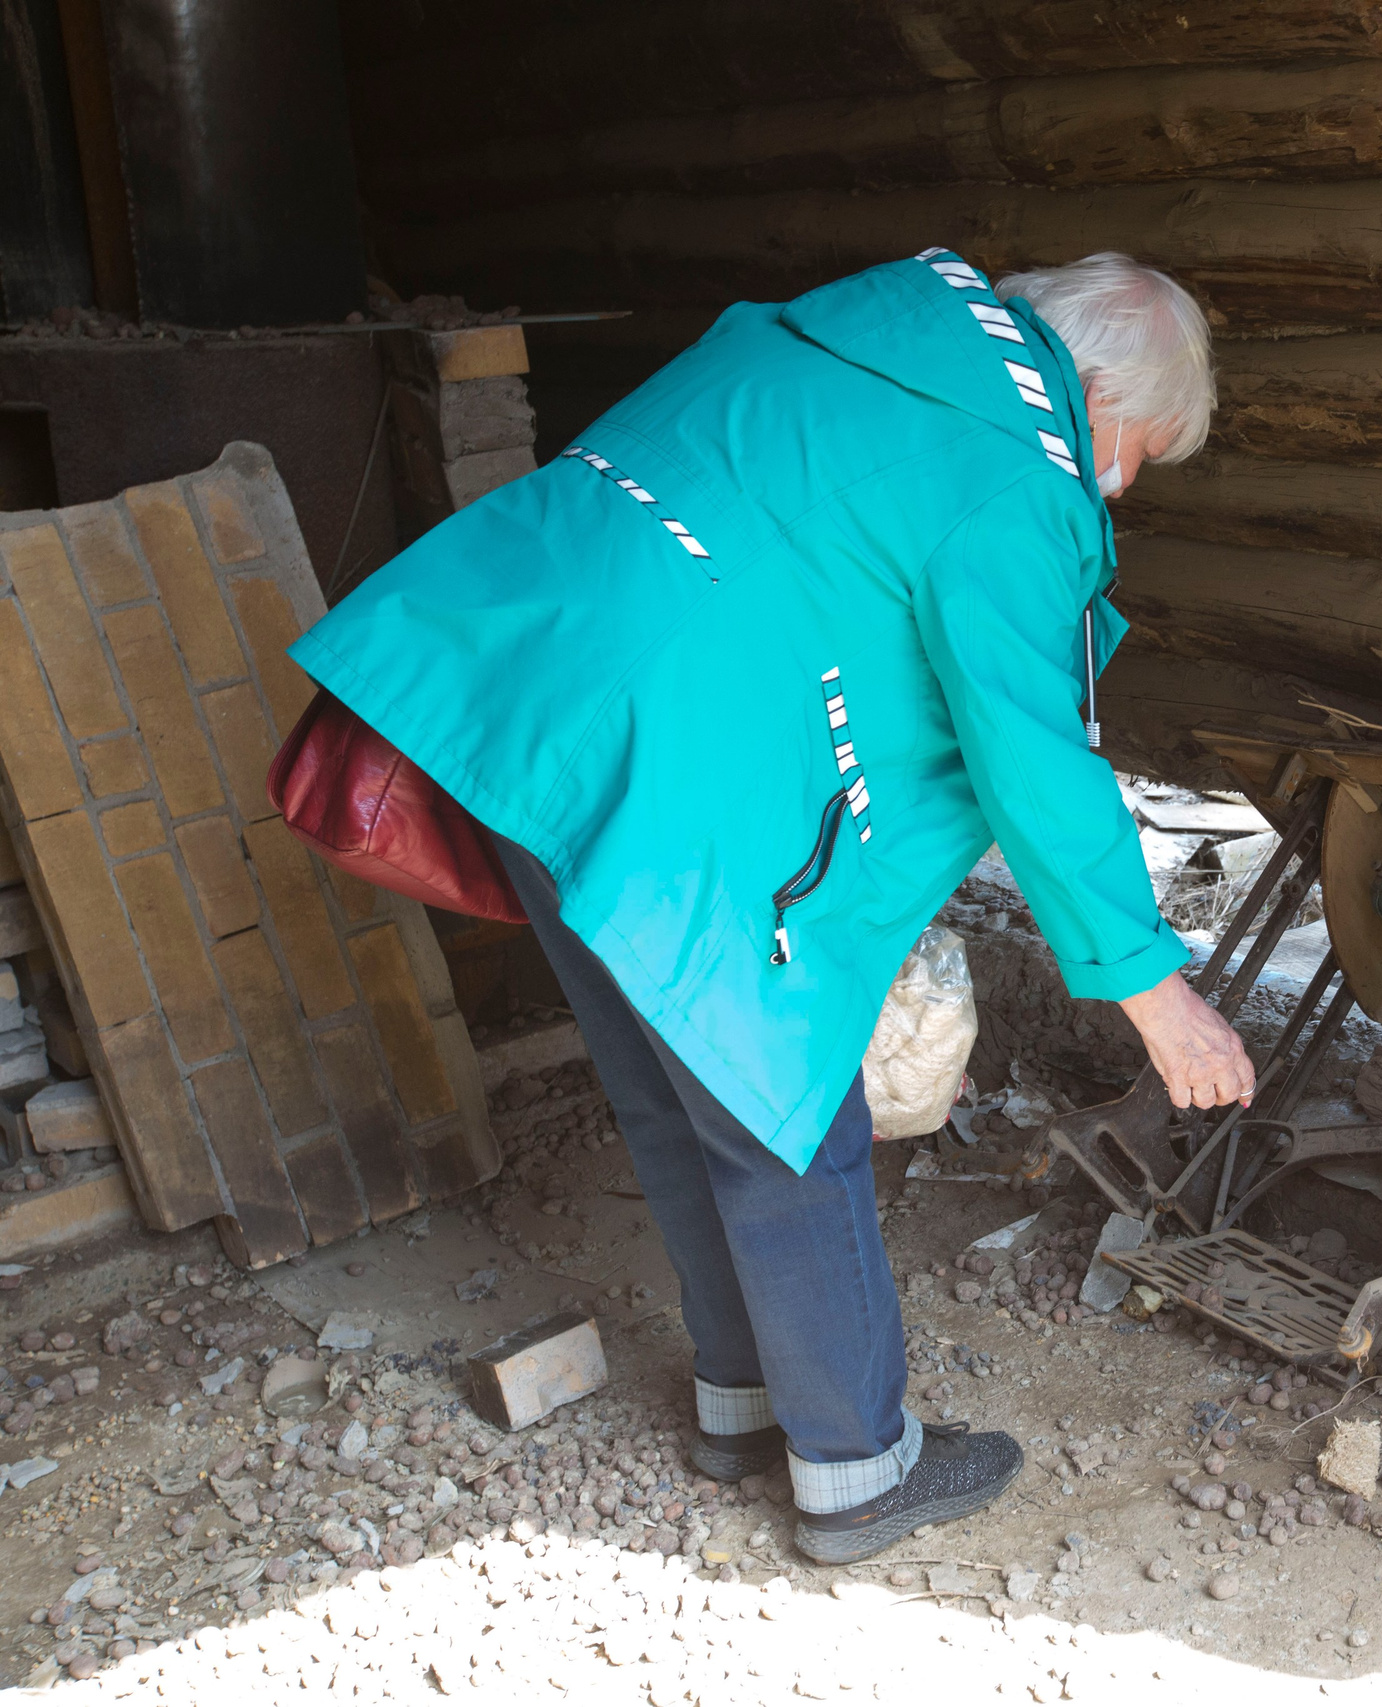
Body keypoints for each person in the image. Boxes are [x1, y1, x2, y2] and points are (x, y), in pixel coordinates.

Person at [290, 250, 1257, 1563]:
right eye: (1132, 446)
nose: (1121, 484)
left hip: (530, 696)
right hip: (675, 755)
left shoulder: (856, 331)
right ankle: (857, 1466)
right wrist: (1157, 992)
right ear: (1085, 382)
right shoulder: (1014, 467)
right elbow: (1033, 751)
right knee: (780, 1091)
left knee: (669, 1080)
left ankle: (742, 1403)